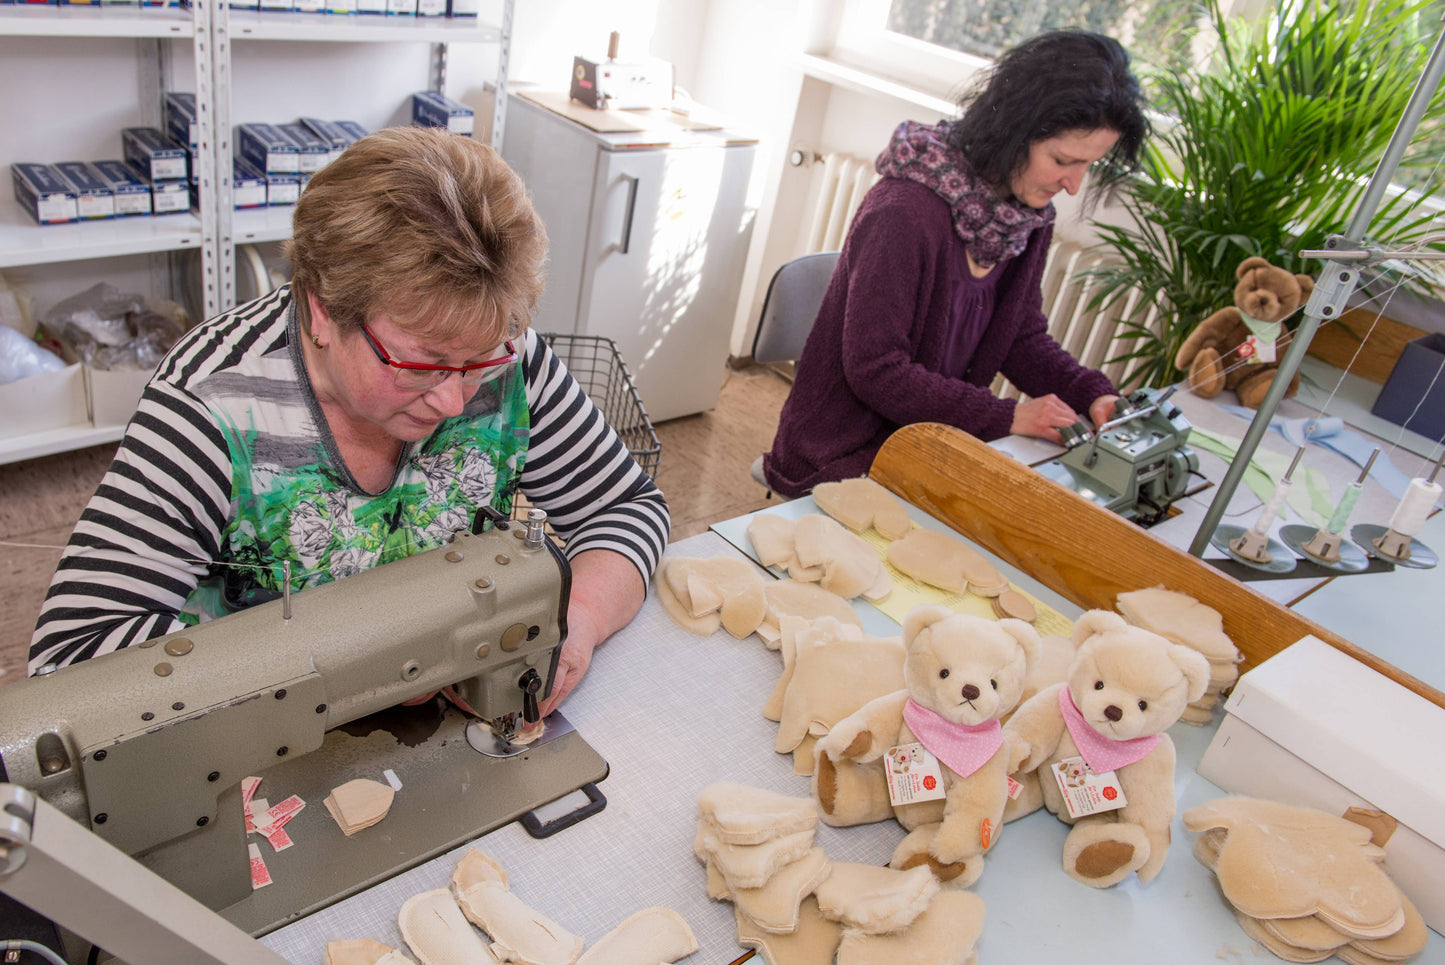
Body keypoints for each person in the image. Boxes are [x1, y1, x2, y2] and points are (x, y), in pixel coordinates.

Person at [30, 126, 669, 718]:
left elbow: (626, 507)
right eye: (421, 365)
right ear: (321, 311)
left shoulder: (497, 350)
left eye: (477, 364)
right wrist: (366, 665)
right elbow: (70, 662)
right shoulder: (210, 410)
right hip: (260, 729)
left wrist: (576, 622)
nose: (454, 400)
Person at [762, 30, 1151, 498]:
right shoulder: (903, 213)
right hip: (844, 454)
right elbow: (877, 371)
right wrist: (1006, 416)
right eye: (1063, 160)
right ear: (1014, 132)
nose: (1073, 184)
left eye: (1090, 165)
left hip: (928, 441)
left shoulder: (1024, 219)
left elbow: (1020, 338)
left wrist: (1092, 393)